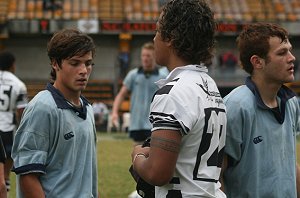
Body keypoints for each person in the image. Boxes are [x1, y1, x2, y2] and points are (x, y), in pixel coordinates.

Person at [131, 0, 227, 197]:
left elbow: (157, 173)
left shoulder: (174, 92)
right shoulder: (209, 84)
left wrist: (138, 155)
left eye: (158, 31)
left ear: (170, 38)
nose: (154, 38)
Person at [11, 28, 98, 197]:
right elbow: (28, 176)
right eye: (75, 63)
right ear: (55, 63)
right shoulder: (42, 107)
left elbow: (85, 179)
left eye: (88, 63)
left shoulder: (88, 109)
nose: (83, 71)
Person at [221, 23, 300, 197]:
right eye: (282, 53)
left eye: (290, 50)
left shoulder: (291, 102)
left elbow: (289, 164)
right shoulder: (235, 107)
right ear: (257, 62)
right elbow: (215, 176)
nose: (292, 58)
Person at [111, 42, 168, 145]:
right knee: (137, 157)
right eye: (143, 55)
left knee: (153, 157)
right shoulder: (133, 75)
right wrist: (114, 112)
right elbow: (121, 94)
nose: (145, 58)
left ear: (154, 57)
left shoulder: (163, 76)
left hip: (155, 124)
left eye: (148, 56)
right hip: (137, 124)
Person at [0, 51, 28, 192]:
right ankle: (5, 182)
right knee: (8, 158)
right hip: (7, 127)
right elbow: (21, 111)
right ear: (12, 65)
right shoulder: (18, 84)